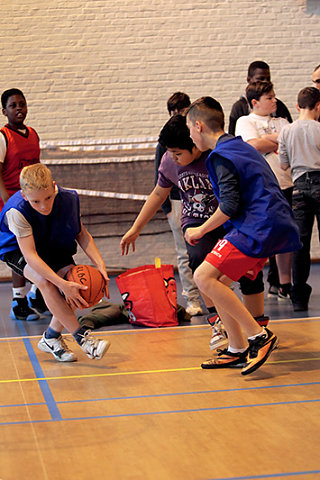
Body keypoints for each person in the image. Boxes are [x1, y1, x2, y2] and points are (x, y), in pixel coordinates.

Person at [121, 114, 269, 352]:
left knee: (249, 273)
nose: (173, 158)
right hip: (196, 222)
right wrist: (136, 228)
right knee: (200, 266)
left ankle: (258, 326)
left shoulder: (217, 157)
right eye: (169, 152)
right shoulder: (170, 162)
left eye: (178, 153)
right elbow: (159, 194)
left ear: (195, 143)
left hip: (228, 220)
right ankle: (219, 323)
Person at [185, 96, 300, 375]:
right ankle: (236, 348)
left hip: (259, 226)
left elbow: (230, 205)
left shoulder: (221, 156)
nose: (190, 136)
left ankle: (258, 336)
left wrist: (200, 229)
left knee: (202, 277)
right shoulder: (239, 146)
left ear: (198, 126)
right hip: (270, 223)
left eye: (189, 129)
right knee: (219, 282)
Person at [0, 164, 110, 362]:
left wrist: (100, 265)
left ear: (54, 187)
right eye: (35, 201)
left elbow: (82, 234)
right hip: (16, 249)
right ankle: (84, 340)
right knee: (45, 281)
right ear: (24, 196)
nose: (43, 206)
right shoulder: (16, 211)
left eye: (48, 198)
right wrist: (61, 284)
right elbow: (31, 255)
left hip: (49, 240)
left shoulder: (68, 199)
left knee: (77, 283)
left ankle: (51, 337)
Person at [235, 80, 294, 300]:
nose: (274, 100)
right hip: (261, 188)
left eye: (274, 96)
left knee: (286, 234)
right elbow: (253, 145)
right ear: (255, 102)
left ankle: (284, 283)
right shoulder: (245, 121)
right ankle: (257, 281)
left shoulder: (282, 121)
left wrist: (268, 140)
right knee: (264, 235)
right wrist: (276, 141)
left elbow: (290, 142)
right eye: (269, 98)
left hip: (286, 184)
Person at [0, 88, 48, 321]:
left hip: (34, 201)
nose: (19, 108)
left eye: (22, 103)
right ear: (4, 111)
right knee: (19, 252)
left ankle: (36, 294)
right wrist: (8, 202)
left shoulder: (33, 133)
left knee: (41, 247)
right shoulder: (2, 136)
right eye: (13, 105)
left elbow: (37, 169)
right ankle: (18, 302)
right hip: (11, 202)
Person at [155, 92, 204, 316]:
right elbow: (159, 185)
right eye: (173, 111)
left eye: (182, 110)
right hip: (178, 202)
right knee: (184, 252)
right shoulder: (166, 148)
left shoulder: (199, 144)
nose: (178, 114)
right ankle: (192, 297)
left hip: (204, 204)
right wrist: (166, 208)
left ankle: (220, 295)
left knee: (210, 250)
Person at [278, 87, 320, 311]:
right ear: (318, 106)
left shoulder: (286, 131)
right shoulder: (319, 128)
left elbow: (283, 164)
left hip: (299, 187)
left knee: (300, 243)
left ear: (297, 106)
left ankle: (298, 298)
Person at [228, 60, 292, 136]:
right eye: (260, 79)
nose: (265, 82)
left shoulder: (278, 105)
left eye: (268, 79)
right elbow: (232, 136)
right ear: (249, 80)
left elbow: (290, 138)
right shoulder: (240, 107)